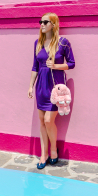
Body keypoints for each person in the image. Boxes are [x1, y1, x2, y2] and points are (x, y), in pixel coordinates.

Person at [27, 12, 75, 169]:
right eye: (40, 21)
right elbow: (35, 66)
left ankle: (53, 150)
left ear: (53, 25)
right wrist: (30, 85)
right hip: (41, 86)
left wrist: (56, 66)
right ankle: (44, 154)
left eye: (45, 22)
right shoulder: (38, 43)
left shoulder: (63, 43)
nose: (41, 24)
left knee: (49, 120)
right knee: (41, 121)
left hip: (55, 87)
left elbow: (72, 63)